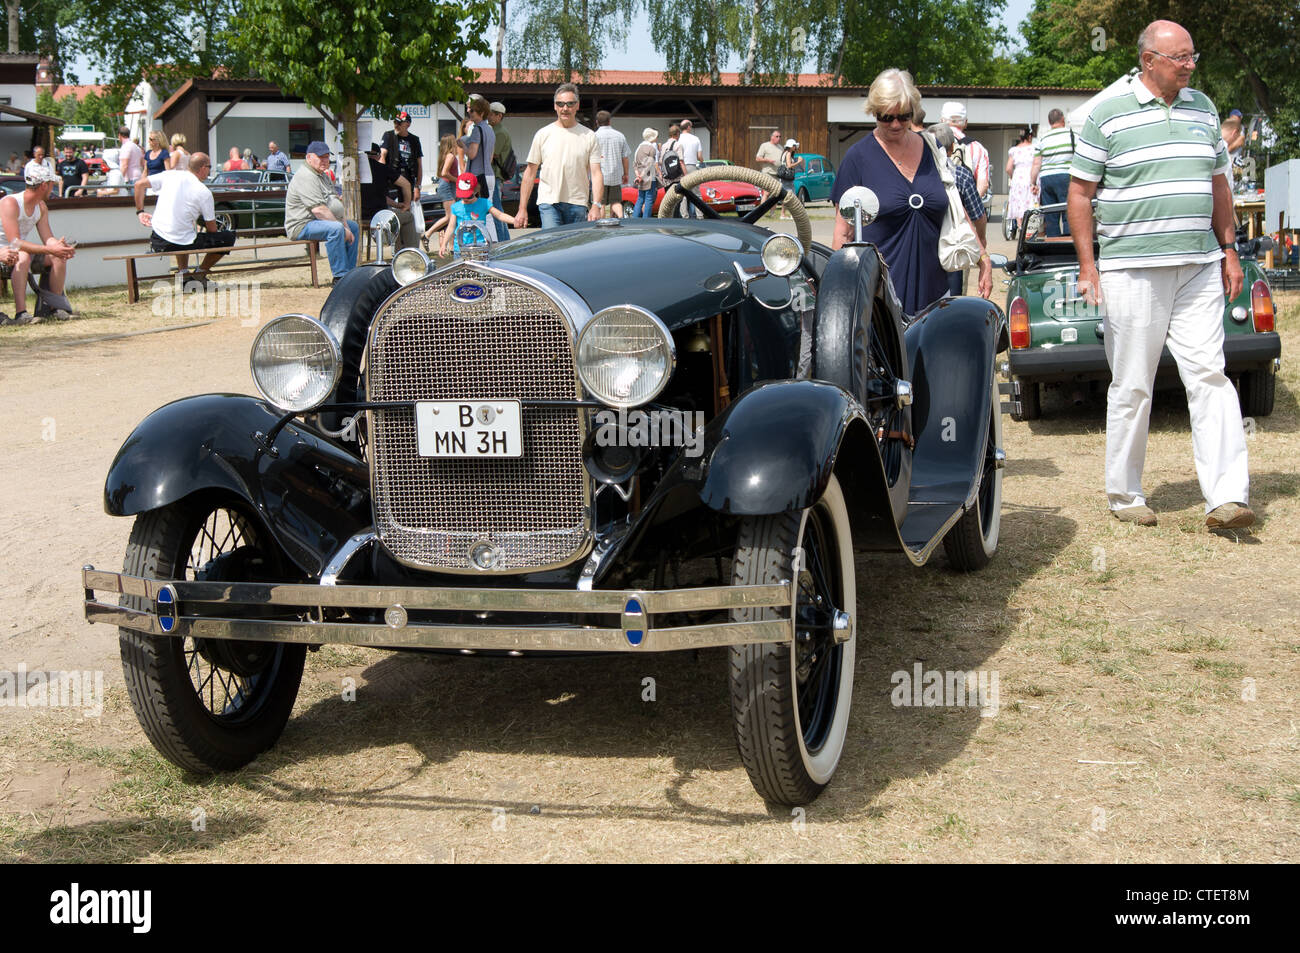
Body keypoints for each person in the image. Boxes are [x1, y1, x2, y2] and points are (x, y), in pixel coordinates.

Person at [1069, 19, 1252, 530]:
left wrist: (1230, 249)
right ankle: (1126, 494)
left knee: (1210, 374)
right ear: (1149, 60)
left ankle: (1227, 497)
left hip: (1199, 265)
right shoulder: (1106, 115)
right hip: (1131, 268)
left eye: (1193, 56)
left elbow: (1219, 184)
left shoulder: (1205, 108)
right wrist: (1089, 266)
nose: (1191, 65)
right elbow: (1080, 194)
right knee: (1133, 384)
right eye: (1181, 58)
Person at [831, 69, 991, 313]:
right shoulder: (858, 158)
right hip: (878, 301)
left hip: (937, 293)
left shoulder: (933, 149)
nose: (896, 124)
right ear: (874, 111)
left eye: (904, 116)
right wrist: (839, 293)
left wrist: (983, 257)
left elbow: (955, 208)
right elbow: (843, 235)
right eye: (887, 117)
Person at [133, 152, 233, 286]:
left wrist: (140, 212)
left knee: (185, 231)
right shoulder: (204, 192)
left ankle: (184, 275)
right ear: (203, 168)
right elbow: (212, 230)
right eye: (209, 167)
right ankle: (199, 274)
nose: (210, 170)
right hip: (179, 240)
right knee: (226, 238)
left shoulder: (170, 174)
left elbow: (139, 184)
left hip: (158, 239)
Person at [514, 83, 603, 228]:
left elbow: (596, 173)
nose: (565, 108)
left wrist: (596, 205)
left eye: (570, 104)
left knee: (575, 249)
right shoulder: (543, 134)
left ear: (577, 105)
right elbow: (529, 173)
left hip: (578, 203)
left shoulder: (589, 136)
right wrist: (522, 208)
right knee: (551, 247)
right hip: (548, 203)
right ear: (555, 106)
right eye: (560, 104)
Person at [0, 166, 75, 324]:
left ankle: (54, 308)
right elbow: (15, 242)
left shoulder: (40, 206)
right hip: (4, 252)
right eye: (51, 184)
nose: (52, 188)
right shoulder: (10, 203)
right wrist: (50, 248)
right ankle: (21, 313)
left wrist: (60, 247)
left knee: (58, 257)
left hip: (19, 250)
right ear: (43, 186)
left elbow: (48, 238)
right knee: (24, 256)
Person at [929, 123, 990, 297]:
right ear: (952, 148)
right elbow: (978, 216)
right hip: (955, 248)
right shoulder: (961, 175)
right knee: (953, 303)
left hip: (924, 250)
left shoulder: (917, 176)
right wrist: (981, 242)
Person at [284, 141, 358, 282]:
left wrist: (346, 226)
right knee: (336, 229)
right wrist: (342, 227)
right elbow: (319, 210)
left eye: (326, 157)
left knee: (353, 226)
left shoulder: (322, 175)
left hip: (316, 222)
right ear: (309, 157)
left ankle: (350, 274)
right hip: (300, 225)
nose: (325, 160)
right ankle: (340, 276)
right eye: (320, 157)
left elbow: (334, 203)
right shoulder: (306, 176)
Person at [441, 172, 513, 257]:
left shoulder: (484, 203)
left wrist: (515, 221)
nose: (465, 199)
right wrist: (444, 244)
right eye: (462, 196)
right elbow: (451, 227)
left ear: (476, 190)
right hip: (460, 250)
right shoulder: (456, 207)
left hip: (480, 248)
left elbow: (499, 215)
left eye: (468, 196)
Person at [1030, 108, 1073, 236]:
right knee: (1068, 211)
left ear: (1049, 122)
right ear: (1063, 120)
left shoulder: (1042, 140)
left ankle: (1053, 243)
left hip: (1046, 178)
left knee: (1050, 214)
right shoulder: (1072, 136)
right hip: (1066, 177)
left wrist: (1033, 183)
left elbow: (1036, 163)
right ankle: (1068, 243)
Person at [940, 102, 990, 201]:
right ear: (966, 122)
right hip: (964, 209)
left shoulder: (931, 142)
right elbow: (983, 184)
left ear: (941, 120)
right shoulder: (978, 148)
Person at [423, 133, 460, 251]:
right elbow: (444, 173)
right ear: (451, 142)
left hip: (448, 186)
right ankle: (427, 234)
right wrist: (458, 180)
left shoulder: (447, 155)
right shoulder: (450, 156)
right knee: (450, 217)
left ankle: (451, 246)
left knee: (452, 217)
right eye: (454, 140)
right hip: (448, 186)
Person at [594, 110, 631, 217]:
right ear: (609, 121)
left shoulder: (594, 136)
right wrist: (626, 173)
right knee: (616, 201)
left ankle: (601, 225)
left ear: (597, 122)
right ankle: (620, 218)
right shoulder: (620, 136)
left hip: (600, 176)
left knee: (600, 203)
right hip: (616, 175)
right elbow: (625, 157)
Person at [458, 99, 494, 207]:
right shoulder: (490, 130)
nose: (469, 112)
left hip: (477, 176)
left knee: (474, 210)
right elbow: (490, 156)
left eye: (472, 110)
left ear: (481, 113)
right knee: (488, 211)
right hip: (489, 174)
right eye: (469, 109)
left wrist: (463, 145)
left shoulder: (477, 130)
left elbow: (472, 154)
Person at [380, 110, 424, 197]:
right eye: (395, 122)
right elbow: (382, 156)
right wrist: (382, 178)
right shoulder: (388, 135)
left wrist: (417, 187)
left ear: (408, 124)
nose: (396, 125)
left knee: (408, 208)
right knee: (392, 208)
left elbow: (419, 164)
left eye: (399, 123)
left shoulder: (414, 140)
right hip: (392, 178)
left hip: (409, 178)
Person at [488, 101, 513, 240]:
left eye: (491, 114)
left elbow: (493, 154)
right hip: (494, 175)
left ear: (499, 116)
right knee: (496, 210)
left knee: (496, 211)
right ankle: (504, 239)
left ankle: (503, 240)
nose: (489, 116)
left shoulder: (500, 132)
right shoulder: (494, 130)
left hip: (495, 175)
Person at [1005, 126, 1035, 232]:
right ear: (1030, 136)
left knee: (1018, 202)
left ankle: (1020, 225)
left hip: (1018, 177)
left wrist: (1013, 177)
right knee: (1030, 201)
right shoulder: (1034, 148)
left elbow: (1008, 168)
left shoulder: (1014, 150)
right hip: (1030, 176)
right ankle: (1030, 227)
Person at [677, 119, 704, 219]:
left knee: (683, 192)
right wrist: (702, 161)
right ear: (688, 127)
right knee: (697, 193)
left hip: (680, 167)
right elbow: (699, 157)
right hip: (692, 166)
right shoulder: (695, 139)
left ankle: (684, 216)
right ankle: (700, 215)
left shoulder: (678, 139)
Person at [632, 128, 659, 218]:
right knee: (649, 200)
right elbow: (650, 165)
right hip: (650, 178)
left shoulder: (638, 148)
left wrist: (638, 176)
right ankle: (646, 221)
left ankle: (635, 220)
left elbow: (634, 164)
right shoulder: (651, 149)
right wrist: (642, 175)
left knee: (640, 199)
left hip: (640, 178)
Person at [777, 138, 804, 220]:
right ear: (791, 146)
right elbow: (789, 166)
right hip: (787, 179)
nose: (796, 147)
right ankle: (792, 214)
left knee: (787, 197)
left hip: (784, 178)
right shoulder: (788, 154)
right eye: (794, 146)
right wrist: (799, 162)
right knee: (792, 197)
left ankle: (783, 214)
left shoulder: (785, 153)